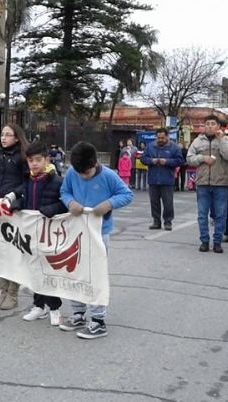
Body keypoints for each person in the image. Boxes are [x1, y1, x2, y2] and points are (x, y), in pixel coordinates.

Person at [58, 141, 132, 339]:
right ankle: (78, 313)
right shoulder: (73, 173)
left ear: (95, 164)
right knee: (74, 272)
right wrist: (70, 202)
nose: (82, 176)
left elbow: (126, 194)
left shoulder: (108, 176)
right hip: (76, 231)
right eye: (79, 172)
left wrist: (108, 204)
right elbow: (64, 191)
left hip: (100, 233)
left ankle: (98, 320)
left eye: (87, 173)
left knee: (95, 274)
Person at [5, 141, 67, 325]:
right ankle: (38, 306)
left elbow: (65, 204)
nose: (34, 164)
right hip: (30, 234)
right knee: (34, 271)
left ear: (47, 160)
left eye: (38, 160)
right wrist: (18, 204)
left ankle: (54, 308)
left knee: (47, 272)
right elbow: (26, 199)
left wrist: (51, 208)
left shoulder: (57, 181)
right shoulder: (28, 180)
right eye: (31, 160)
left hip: (49, 235)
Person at [0, 123, 28, 310]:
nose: (3, 138)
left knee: (11, 252)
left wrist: (13, 195)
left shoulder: (22, 157)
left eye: (8, 135)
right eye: (2, 134)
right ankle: (2, 291)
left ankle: (13, 294)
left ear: (17, 138)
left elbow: (27, 181)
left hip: (11, 210)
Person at [186, 116, 228, 253]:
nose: (209, 126)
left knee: (220, 214)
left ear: (218, 126)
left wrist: (220, 140)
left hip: (220, 183)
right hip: (202, 182)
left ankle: (218, 242)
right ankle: (204, 241)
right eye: (207, 124)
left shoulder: (226, 139)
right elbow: (189, 158)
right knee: (202, 214)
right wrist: (202, 158)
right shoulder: (198, 141)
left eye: (213, 124)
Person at [142, 128, 183, 231]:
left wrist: (168, 162)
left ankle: (168, 222)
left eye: (162, 138)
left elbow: (180, 161)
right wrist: (152, 161)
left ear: (167, 137)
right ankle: (156, 221)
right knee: (154, 202)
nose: (160, 140)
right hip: (153, 179)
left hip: (167, 180)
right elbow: (143, 159)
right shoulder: (150, 146)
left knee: (168, 203)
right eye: (158, 138)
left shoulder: (174, 147)